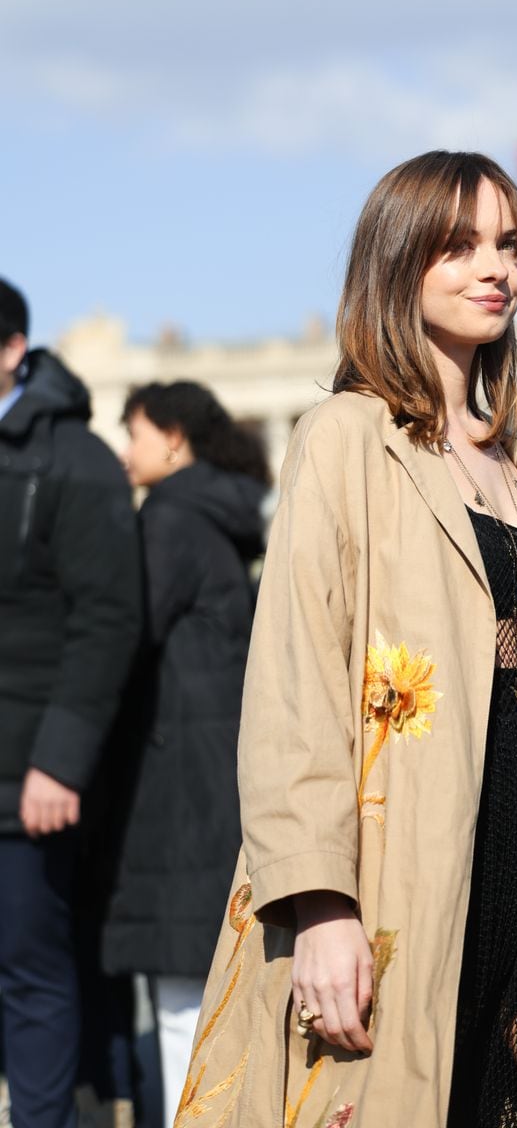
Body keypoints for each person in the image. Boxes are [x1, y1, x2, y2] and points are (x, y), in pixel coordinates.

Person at [177, 152, 517, 1128]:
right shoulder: (344, 437)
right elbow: (293, 682)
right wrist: (320, 906)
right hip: (406, 863)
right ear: (399, 259)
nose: (496, 267)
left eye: (510, 244)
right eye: (461, 243)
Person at [98, 382, 269, 1128]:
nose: (125, 449)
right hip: (220, 774)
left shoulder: (167, 520)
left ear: (173, 438)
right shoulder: (219, 520)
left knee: (179, 1004)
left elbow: (119, 639)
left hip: (175, 788)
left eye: (133, 432)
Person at [0, 277, 141, 1128]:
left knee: (30, 970)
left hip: (26, 776)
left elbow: (107, 619)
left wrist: (58, 759)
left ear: (13, 349)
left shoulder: (73, 460)